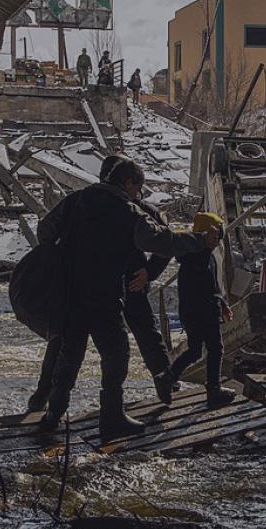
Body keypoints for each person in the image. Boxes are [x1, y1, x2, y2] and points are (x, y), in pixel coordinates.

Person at [39, 157, 215, 439]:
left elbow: (45, 231)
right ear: (127, 182)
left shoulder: (76, 200)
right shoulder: (128, 212)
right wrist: (199, 241)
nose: (139, 194)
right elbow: (161, 241)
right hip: (104, 295)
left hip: (70, 293)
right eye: (138, 187)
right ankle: (111, 417)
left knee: (69, 354)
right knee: (116, 355)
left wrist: (64, 256)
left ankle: (53, 414)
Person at [26, 159, 178, 413]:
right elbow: (169, 241)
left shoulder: (128, 207)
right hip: (102, 285)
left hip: (127, 282)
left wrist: (149, 273)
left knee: (139, 337)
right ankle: (48, 398)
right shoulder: (93, 204)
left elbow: (166, 242)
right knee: (92, 346)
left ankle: (166, 387)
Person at [154, 213, 236, 407]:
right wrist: (215, 306)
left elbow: (213, 285)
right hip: (202, 311)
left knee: (195, 351)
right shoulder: (196, 256)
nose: (217, 241)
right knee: (216, 349)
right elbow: (204, 288)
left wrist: (223, 304)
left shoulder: (204, 256)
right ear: (204, 234)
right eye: (215, 236)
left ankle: (167, 377)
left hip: (194, 311)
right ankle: (213, 390)